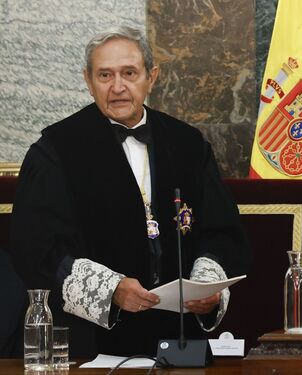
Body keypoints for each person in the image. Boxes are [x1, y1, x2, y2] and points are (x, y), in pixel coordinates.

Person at [10, 26, 250, 358]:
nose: (118, 87)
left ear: (151, 77)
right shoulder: (55, 150)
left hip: (178, 339)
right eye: (105, 75)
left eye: (129, 73)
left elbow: (221, 232)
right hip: (92, 343)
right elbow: (36, 248)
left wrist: (205, 288)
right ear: (87, 80)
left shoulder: (188, 145)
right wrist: (111, 290)